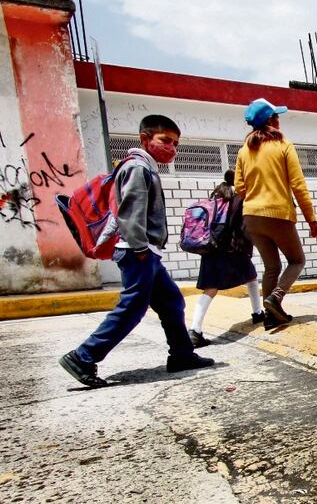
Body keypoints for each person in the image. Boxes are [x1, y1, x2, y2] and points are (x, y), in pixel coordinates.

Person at [59, 115, 214, 388]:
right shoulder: (137, 168)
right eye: (165, 140)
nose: (172, 149)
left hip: (144, 251)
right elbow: (129, 213)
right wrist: (141, 248)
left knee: (171, 302)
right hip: (136, 251)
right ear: (145, 138)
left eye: (176, 144)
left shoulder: (144, 167)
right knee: (132, 308)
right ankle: (83, 357)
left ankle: (182, 354)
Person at [234, 98, 317, 329]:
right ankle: (276, 298)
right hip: (278, 214)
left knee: (271, 266)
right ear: (271, 121)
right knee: (297, 260)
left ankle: (271, 317)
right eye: (277, 116)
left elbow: (239, 188)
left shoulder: (244, 150)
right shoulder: (283, 144)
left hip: (251, 216)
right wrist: (310, 218)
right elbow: (298, 185)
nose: (279, 120)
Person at [189, 169, 266, 348]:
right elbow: (244, 227)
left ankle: (195, 330)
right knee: (251, 277)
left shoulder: (216, 195)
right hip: (232, 249)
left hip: (211, 247)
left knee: (212, 287)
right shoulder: (239, 198)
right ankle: (257, 313)